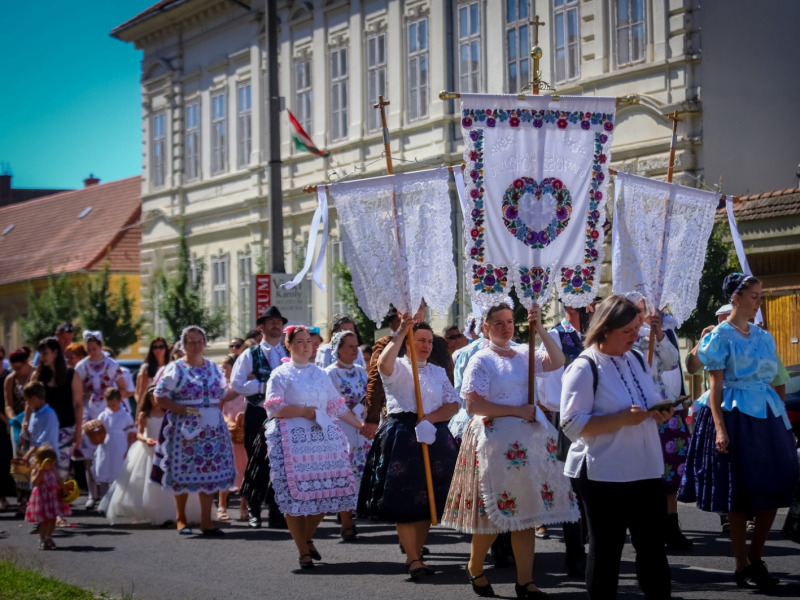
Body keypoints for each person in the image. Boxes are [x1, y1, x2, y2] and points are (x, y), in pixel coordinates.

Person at [443, 303, 574, 600]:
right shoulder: (481, 360)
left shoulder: (525, 353)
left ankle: (525, 581)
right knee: (495, 514)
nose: (506, 327)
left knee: (525, 512)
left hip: (527, 442)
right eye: (499, 323)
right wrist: (517, 411)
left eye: (510, 321)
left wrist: (538, 328)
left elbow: (557, 360)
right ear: (486, 327)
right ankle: (475, 567)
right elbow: (473, 405)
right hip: (495, 440)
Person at [678, 274, 798, 589]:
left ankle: (756, 557)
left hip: (767, 414)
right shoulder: (720, 336)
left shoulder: (763, 336)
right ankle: (742, 562)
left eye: (760, 295)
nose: (759, 301)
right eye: (754, 296)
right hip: (734, 415)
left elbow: (775, 380)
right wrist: (719, 429)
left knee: (774, 485)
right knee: (740, 494)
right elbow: (715, 387)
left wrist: (782, 421)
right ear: (736, 298)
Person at [561, 295, 674, 600]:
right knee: (607, 552)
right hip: (603, 474)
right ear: (604, 328)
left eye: (637, 329)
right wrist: (622, 419)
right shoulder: (584, 367)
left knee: (652, 548)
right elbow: (572, 426)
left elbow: (645, 403)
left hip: (646, 467)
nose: (635, 336)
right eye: (627, 331)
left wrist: (661, 412)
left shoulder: (637, 359)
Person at [359, 315, 459, 580]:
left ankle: (417, 551)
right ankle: (413, 558)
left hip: (433, 433)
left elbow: (453, 404)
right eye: (419, 341)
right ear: (407, 344)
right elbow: (383, 363)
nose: (426, 345)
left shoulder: (437, 372)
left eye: (428, 341)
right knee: (405, 498)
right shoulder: (399, 368)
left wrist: (431, 418)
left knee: (429, 498)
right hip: (403, 435)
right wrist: (402, 330)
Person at [265, 325, 366, 570]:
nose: (305, 345)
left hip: (323, 439)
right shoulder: (280, 374)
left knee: (327, 492)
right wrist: (304, 411)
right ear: (288, 345)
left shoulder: (320, 374)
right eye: (299, 341)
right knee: (295, 496)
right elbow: (274, 408)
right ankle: (303, 551)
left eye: (308, 341)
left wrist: (361, 426)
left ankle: (307, 538)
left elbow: (337, 407)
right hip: (292, 439)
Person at [152, 325, 237, 536]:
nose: (197, 345)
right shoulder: (175, 368)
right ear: (184, 345)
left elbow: (222, 393)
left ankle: (206, 521)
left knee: (208, 472)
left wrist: (243, 386)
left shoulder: (213, 368)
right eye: (192, 341)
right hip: (185, 428)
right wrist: (184, 409)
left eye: (200, 341)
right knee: (184, 471)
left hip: (212, 427)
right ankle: (181, 518)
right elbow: (159, 396)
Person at [537, 299, 598, 577]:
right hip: (566, 421)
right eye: (590, 305)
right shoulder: (555, 337)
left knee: (594, 486)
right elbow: (550, 392)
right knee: (570, 489)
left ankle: (592, 549)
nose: (594, 309)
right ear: (574, 308)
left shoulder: (597, 336)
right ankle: (575, 554)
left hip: (599, 420)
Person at [627, 293, 693, 551]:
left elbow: (672, 361)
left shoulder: (662, 331)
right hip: (640, 410)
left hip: (666, 408)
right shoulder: (625, 337)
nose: (641, 316)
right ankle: (642, 527)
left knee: (671, 471)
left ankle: (672, 527)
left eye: (644, 310)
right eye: (637, 310)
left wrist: (660, 336)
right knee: (642, 473)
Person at [100, 385, 200, 526]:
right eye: (151, 397)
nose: (154, 400)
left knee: (167, 480)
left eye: (156, 397)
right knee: (148, 482)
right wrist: (146, 439)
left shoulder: (169, 413)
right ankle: (152, 512)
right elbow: (139, 433)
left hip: (166, 448)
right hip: (149, 449)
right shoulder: (144, 414)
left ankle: (171, 513)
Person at [231, 305, 288, 528]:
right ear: (260, 327)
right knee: (258, 463)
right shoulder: (250, 353)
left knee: (282, 463)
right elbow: (236, 383)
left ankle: (277, 511)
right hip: (258, 413)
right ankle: (254, 509)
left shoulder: (288, 351)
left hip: (285, 414)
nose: (276, 325)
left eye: (279, 321)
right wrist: (263, 385)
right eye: (271, 321)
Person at [324, 330, 373, 542]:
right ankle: (346, 522)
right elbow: (329, 402)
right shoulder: (329, 374)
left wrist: (366, 411)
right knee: (345, 473)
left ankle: (356, 513)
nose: (355, 350)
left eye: (356, 345)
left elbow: (371, 395)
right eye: (350, 346)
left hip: (362, 428)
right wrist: (350, 412)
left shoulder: (362, 372)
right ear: (338, 350)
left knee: (361, 472)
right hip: (341, 427)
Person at [74, 331, 125, 509]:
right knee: (89, 456)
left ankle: (111, 493)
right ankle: (92, 494)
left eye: (95, 349)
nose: (92, 352)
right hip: (89, 413)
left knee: (109, 453)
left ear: (100, 346)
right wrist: (83, 394)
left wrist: (111, 397)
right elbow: (76, 391)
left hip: (107, 413)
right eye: (89, 349)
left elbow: (124, 389)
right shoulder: (81, 366)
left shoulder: (111, 365)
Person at [29, 338, 83, 478]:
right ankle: (44, 500)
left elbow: (78, 403)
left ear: (55, 353)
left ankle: (59, 500)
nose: (42, 357)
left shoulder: (71, 375)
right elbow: (29, 402)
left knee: (61, 471)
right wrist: (25, 424)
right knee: (42, 469)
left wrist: (78, 430)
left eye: (45, 353)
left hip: (65, 429)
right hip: (43, 429)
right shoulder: (38, 375)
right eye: (40, 353)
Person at [92, 388, 136, 500]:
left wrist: (129, 450)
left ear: (120, 401)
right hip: (105, 447)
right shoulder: (103, 416)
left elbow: (131, 434)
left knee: (118, 474)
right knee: (104, 471)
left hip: (120, 447)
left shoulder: (125, 416)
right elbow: (98, 432)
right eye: (109, 404)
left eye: (114, 404)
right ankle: (103, 500)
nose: (112, 406)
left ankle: (117, 501)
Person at [219, 354, 248, 522]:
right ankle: (222, 505)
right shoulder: (223, 389)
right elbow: (219, 410)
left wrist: (243, 421)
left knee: (245, 471)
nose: (223, 370)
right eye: (222, 367)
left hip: (243, 434)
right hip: (227, 434)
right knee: (226, 469)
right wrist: (228, 422)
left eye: (226, 366)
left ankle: (244, 506)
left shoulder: (244, 389)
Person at [25, 445, 70, 550]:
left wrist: (64, 488)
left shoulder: (53, 469)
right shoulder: (36, 470)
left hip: (52, 496)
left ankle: (49, 536)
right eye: (50, 462)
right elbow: (35, 484)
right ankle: (42, 539)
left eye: (54, 462)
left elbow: (59, 479)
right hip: (42, 497)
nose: (52, 464)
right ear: (41, 461)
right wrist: (38, 475)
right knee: (44, 519)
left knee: (53, 518)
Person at [4, 347, 33, 456]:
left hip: (33, 420)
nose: (16, 371)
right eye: (14, 368)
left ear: (26, 362)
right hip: (17, 423)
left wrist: (26, 420)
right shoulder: (10, 379)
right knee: (19, 458)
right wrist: (13, 419)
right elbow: (8, 405)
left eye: (18, 368)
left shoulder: (36, 374)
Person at [135, 338, 169, 412]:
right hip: (151, 408)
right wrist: (139, 414)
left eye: (161, 347)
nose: (158, 350)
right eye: (155, 347)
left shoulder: (171, 367)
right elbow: (142, 393)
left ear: (166, 349)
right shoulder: (147, 368)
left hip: (166, 407)